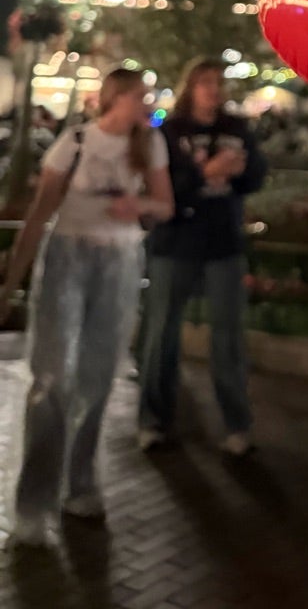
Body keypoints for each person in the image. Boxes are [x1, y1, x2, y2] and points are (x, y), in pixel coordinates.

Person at [0, 68, 173, 545]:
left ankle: (80, 486)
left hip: (118, 261)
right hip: (68, 258)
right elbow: (39, 212)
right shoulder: (75, 142)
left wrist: (137, 208)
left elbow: (166, 205)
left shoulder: (149, 145)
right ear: (115, 98)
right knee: (51, 378)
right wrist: (12, 282)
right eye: (140, 95)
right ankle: (32, 507)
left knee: (98, 377)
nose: (147, 102)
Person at [137, 58, 266, 456]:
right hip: (175, 243)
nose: (213, 90)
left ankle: (236, 425)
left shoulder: (237, 128)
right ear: (190, 88)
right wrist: (207, 171)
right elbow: (163, 188)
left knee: (227, 335)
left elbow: (256, 175)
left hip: (222, 243)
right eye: (205, 83)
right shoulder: (170, 132)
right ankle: (153, 420)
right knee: (162, 332)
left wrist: (237, 171)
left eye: (217, 83)